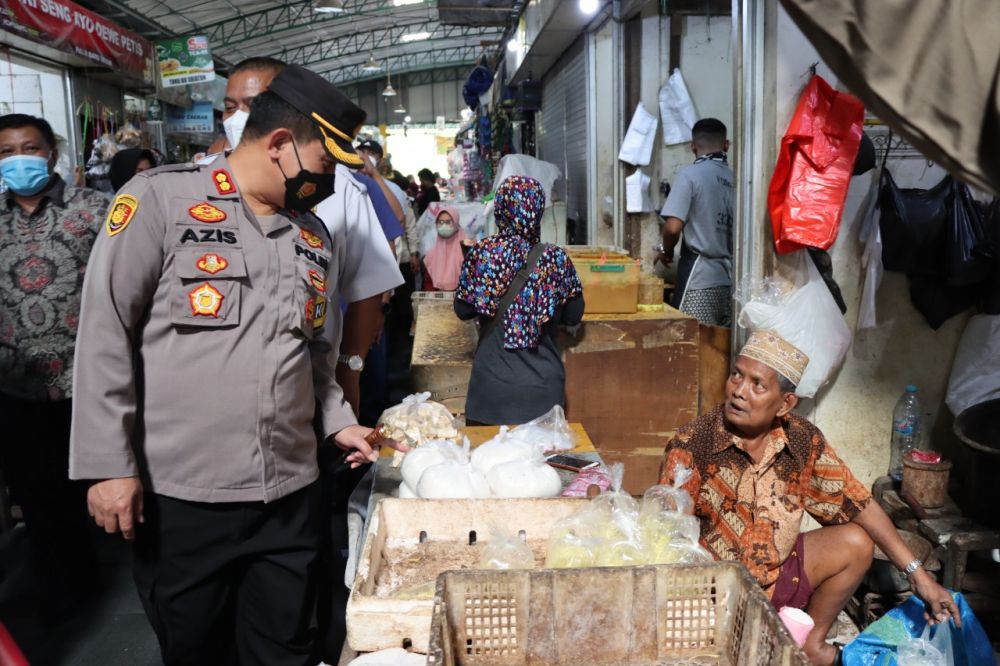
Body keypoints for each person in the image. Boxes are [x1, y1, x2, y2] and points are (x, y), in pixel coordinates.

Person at [69, 65, 407, 665]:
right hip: (184, 499)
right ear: (278, 145)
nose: (326, 183)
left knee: (288, 650)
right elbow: (105, 333)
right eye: (324, 164)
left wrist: (337, 421)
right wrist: (106, 466)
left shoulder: (313, 238)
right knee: (198, 651)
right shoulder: (160, 202)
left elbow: (311, 357)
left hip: (289, 495)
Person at [658, 330, 960, 666]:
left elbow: (859, 503)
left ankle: (811, 645)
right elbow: (666, 541)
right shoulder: (692, 444)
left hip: (780, 576)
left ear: (785, 403)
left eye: (758, 384)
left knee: (856, 541)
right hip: (715, 594)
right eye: (736, 375)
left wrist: (920, 578)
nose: (739, 392)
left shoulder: (802, 440)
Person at [0, 113, 107, 625]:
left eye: (29, 147)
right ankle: (64, 590)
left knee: (105, 487)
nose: (19, 158)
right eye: (5, 152)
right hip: (16, 386)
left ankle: (125, 579)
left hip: (90, 381)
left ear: (51, 151)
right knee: (39, 497)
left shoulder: (95, 210)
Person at [455, 176, 584, 426]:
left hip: (490, 394)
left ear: (501, 211)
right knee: (541, 466)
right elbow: (574, 315)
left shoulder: (483, 253)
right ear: (537, 213)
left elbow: (462, 310)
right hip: (542, 395)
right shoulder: (555, 259)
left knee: (487, 464)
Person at [657, 118, 734, 327]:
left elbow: (672, 228)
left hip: (700, 280)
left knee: (690, 346)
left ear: (693, 146)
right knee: (721, 351)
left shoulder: (690, 175)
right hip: (732, 283)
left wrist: (665, 250)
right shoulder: (736, 179)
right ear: (726, 145)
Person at [422, 205, 467, 292]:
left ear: (456, 223)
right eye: (440, 222)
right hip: (439, 302)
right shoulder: (431, 255)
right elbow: (428, 285)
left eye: (448, 222)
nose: (444, 226)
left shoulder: (466, 251)